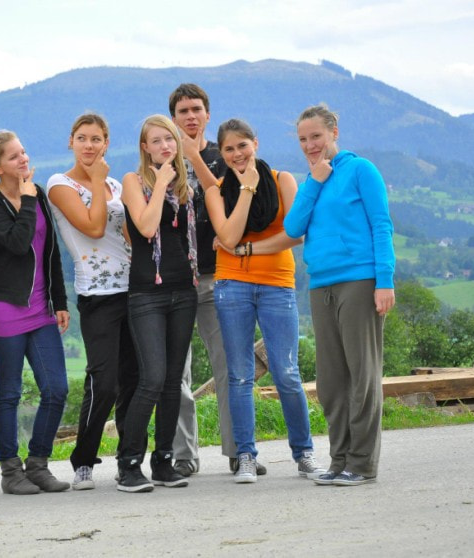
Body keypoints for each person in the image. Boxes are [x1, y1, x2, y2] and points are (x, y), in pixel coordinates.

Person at [205, 118, 324, 484]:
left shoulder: (283, 180)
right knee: (240, 375)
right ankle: (245, 455)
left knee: (286, 371)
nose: (237, 154)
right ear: (222, 154)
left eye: (243, 145)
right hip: (232, 285)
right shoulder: (216, 192)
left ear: (255, 143)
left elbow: (295, 234)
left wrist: (248, 249)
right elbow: (228, 236)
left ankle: (304, 454)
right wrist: (246, 190)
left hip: (276, 283)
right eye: (229, 149)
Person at [284, 104, 395, 486]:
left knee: (362, 375)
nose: (309, 145)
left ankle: (361, 464)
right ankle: (339, 460)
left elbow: (381, 225)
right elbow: (293, 226)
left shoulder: (361, 170)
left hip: (359, 281)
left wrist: (385, 281)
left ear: (334, 132)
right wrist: (315, 181)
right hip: (321, 285)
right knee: (331, 381)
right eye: (303, 139)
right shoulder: (311, 181)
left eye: (316, 136)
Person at [168, 84, 265, 478]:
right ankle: (184, 455)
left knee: (230, 366)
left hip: (217, 275)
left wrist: (195, 158)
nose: (190, 116)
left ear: (207, 114)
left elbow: (235, 199)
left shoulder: (224, 155)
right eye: (183, 111)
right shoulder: (161, 157)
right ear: (173, 119)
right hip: (174, 280)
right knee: (176, 373)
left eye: (196, 109)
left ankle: (239, 451)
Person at [0, 130, 71, 495]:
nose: (24, 159)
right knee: (9, 392)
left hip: (41, 308)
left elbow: (51, 250)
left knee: (56, 389)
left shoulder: (37, 193)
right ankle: (10, 471)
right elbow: (17, 243)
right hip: (3, 308)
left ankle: (38, 464)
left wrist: (60, 301)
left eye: (24, 152)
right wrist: (27, 201)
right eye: (14, 156)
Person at [46, 114, 138, 490]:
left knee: (134, 379)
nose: (89, 145)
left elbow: (129, 235)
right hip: (97, 293)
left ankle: (129, 459)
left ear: (106, 143)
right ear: (71, 141)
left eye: (96, 139)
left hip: (133, 289)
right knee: (105, 381)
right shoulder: (59, 184)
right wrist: (98, 182)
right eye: (82, 138)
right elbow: (94, 227)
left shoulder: (116, 184)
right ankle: (83, 460)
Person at [117, 115, 198, 493]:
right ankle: (128, 464)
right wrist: (161, 182)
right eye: (157, 140)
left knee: (171, 381)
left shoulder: (185, 186)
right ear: (145, 147)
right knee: (151, 378)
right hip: (147, 292)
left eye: (170, 139)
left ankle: (163, 461)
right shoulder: (134, 182)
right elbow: (147, 228)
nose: (165, 145)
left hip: (183, 291)